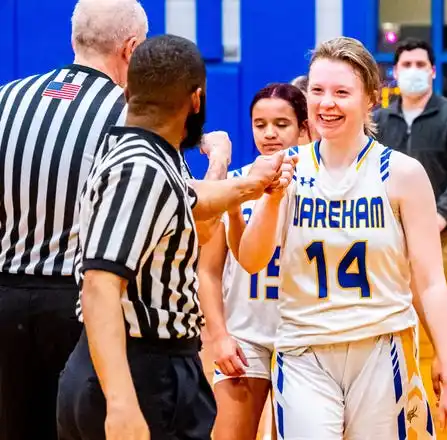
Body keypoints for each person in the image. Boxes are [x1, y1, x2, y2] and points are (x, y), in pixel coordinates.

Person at [56, 34, 295, 440]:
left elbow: (193, 205)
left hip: (155, 368)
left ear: (128, 89)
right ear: (196, 100)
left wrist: (246, 183)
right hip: (138, 371)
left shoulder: (145, 153)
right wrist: (121, 403)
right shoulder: (141, 168)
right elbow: (98, 285)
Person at [237, 36, 447, 439]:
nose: (326, 103)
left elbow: (431, 283)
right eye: (317, 91)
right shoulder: (286, 170)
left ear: (370, 99)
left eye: (341, 92)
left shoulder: (403, 174)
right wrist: (272, 200)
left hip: (382, 348)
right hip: (302, 349)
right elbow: (252, 260)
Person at [0, 1, 146, 439]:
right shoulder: (129, 114)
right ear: (131, 48)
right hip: (81, 306)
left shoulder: (7, 98)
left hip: (5, 298)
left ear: (74, 38)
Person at [199, 83, 309, 440]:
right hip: (245, 335)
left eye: (281, 124)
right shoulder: (234, 185)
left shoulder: (322, 189)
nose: (270, 133)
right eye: (260, 124)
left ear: (304, 128)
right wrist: (219, 336)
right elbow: (208, 271)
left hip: (303, 335)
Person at [373, 38, 447, 391]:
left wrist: (440, 216)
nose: (414, 71)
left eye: (421, 65)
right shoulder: (379, 121)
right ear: (395, 72)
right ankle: (397, 383)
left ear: (433, 71)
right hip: (389, 238)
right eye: (406, 65)